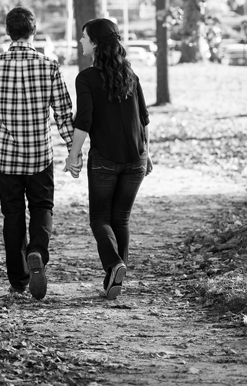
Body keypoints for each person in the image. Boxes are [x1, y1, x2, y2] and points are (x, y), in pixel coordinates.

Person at [0, 6, 75, 300]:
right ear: (33, 32)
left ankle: (18, 280)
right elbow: (64, 114)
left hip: (5, 158)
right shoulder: (49, 66)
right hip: (39, 156)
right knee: (42, 209)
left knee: (13, 216)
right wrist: (73, 150)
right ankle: (37, 253)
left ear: (8, 32)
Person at [65, 18, 153, 300]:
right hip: (136, 159)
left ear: (95, 43)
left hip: (105, 160)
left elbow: (84, 121)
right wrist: (147, 153)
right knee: (121, 218)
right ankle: (116, 276)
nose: (80, 42)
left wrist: (73, 155)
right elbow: (144, 119)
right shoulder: (131, 74)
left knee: (100, 218)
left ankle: (114, 265)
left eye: (84, 37)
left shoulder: (86, 77)